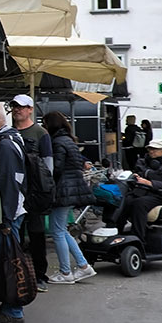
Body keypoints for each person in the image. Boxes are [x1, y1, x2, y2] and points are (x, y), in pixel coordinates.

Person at [0, 99, 28, 323]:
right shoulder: (9, 138)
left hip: (9, 213)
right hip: (12, 210)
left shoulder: (5, 145)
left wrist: (5, 219)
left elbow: (8, 183)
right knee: (6, 260)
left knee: (10, 261)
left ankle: (14, 309)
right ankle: (9, 303)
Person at [42, 112, 96, 283]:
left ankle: (65, 272)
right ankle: (83, 266)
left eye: (45, 123)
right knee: (62, 230)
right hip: (71, 190)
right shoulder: (69, 140)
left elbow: (56, 169)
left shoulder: (57, 142)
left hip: (62, 191)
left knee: (57, 231)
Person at [10, 93, 54, 292]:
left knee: (36, 235)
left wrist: (42, 190)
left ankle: (39, 275)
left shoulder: (40, 133)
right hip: (14, 192)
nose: (17, 109)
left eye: (21, 106)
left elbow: (48, 165)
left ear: (30, 109)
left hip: (34, 193)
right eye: (14, 106)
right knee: (15, 236)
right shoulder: (8, 132)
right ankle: (17, 276)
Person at [113, 138, 162, 245]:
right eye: (150, 149)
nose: (151, 151)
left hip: (161, 195)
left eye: (155, 149)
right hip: (141, 192)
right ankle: (116, 232)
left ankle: (138, 239)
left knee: (139, 204)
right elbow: (136, 173)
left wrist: (150, 183)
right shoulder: (143, 161)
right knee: (123, 201)